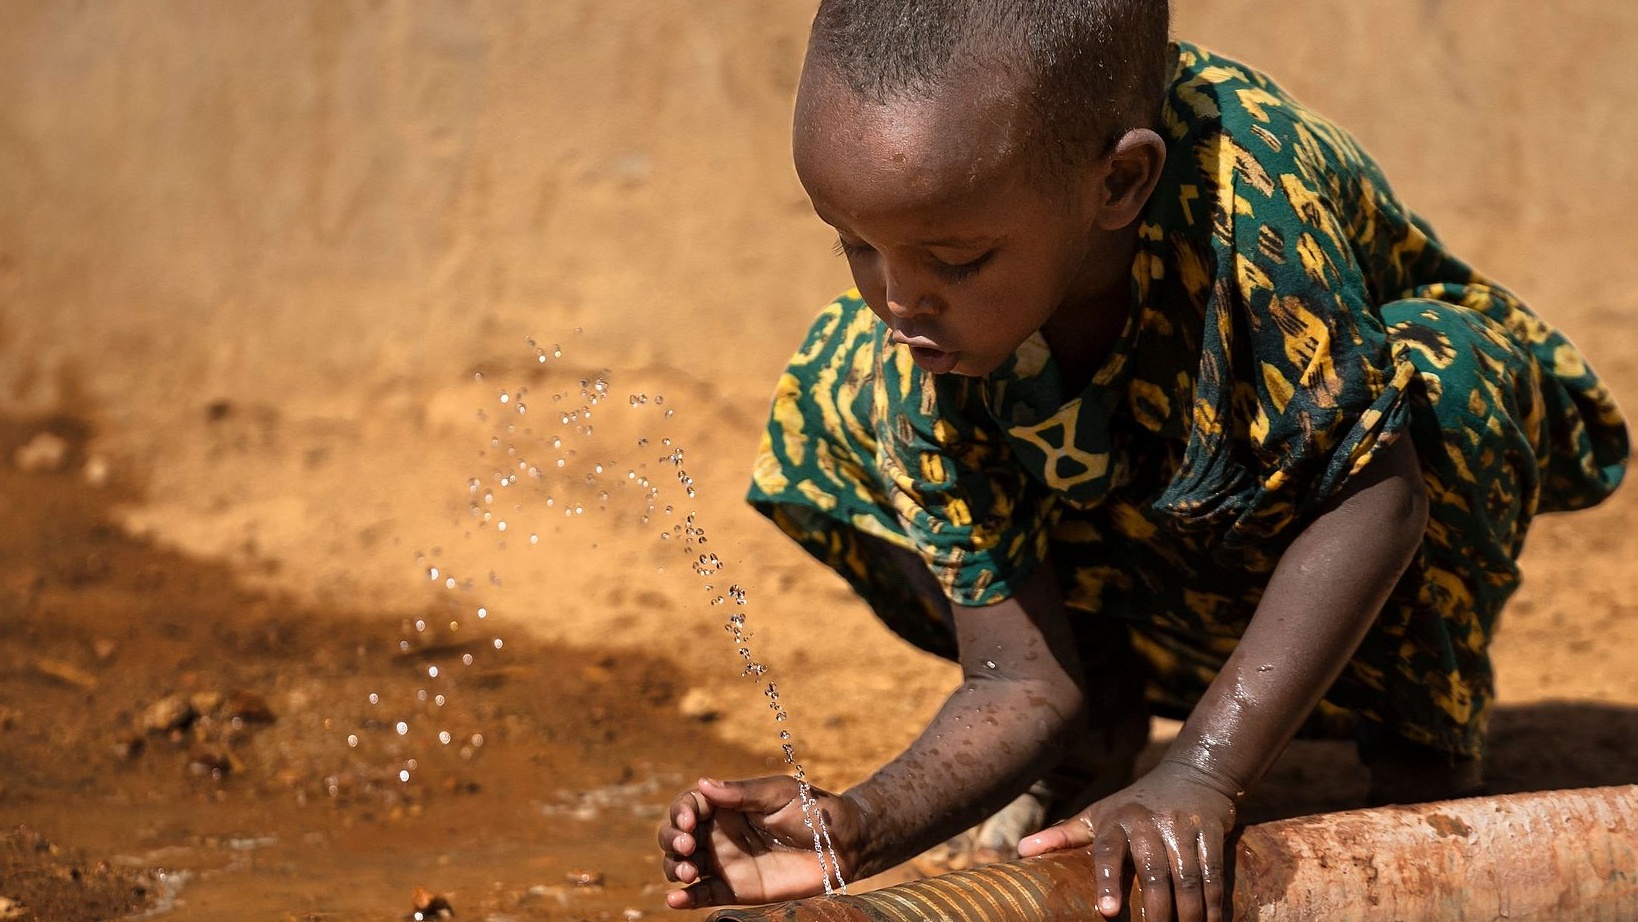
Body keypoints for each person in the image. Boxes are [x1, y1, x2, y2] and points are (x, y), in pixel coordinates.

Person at [657, 1, 1629, 920]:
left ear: (1118, 182)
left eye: (954, 261)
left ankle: (1416, 744)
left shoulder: (1250, 202)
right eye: (854, 246)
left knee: (1448, 380)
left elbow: (1376, 501)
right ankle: (1101, 724)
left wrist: (1204, 769)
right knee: (841, 377)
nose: (899, 298)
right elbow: (1012, 678)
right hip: (1166, 524)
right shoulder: (928, 337)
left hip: (1326, 523)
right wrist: (858, 826)